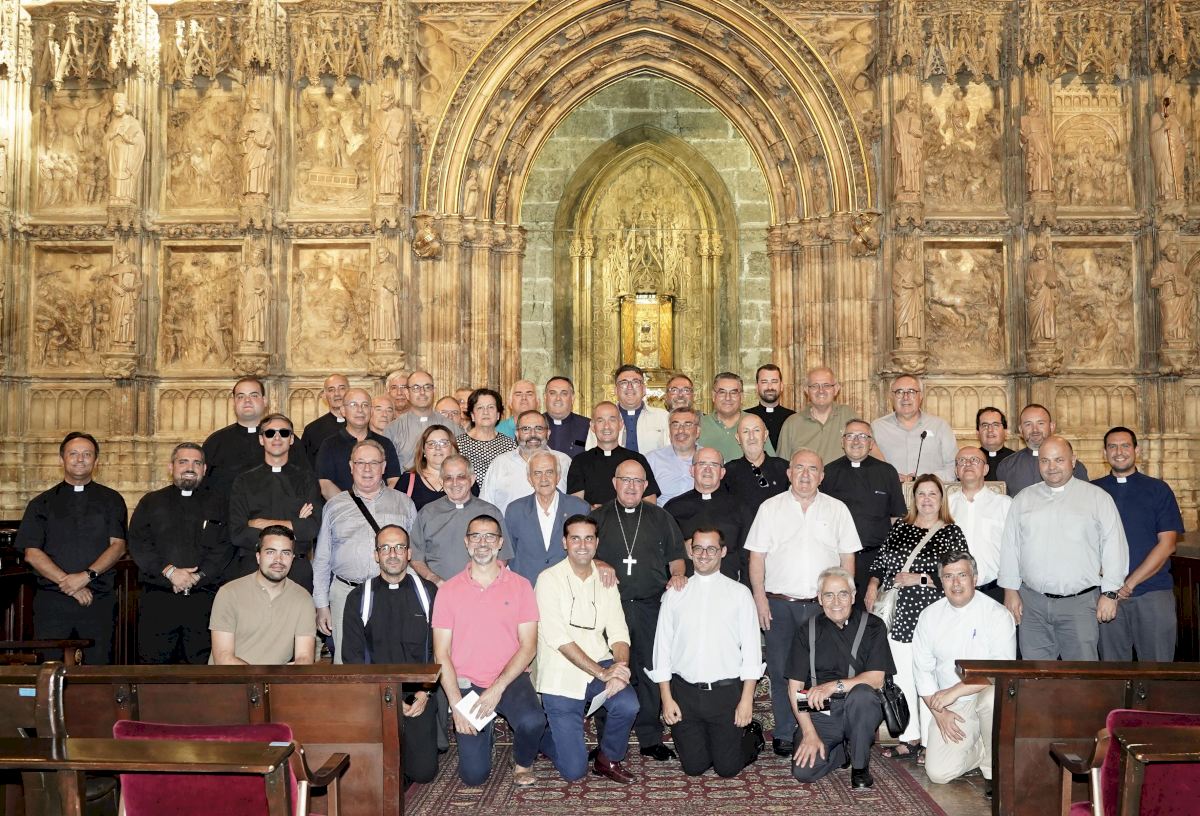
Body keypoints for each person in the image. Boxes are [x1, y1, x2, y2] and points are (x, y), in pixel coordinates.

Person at [744, 449, 861, 757]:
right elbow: (757, 557)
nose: (805, 475)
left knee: (823, 671)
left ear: (822, 476)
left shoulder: (837, 509)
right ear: (789, 473)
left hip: (825, 606)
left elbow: (847, 558)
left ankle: (824, 730)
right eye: (799, 468)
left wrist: (844, 601)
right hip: (779, 605)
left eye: (812, 469)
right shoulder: (770, 508)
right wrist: (759, 597)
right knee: (782, 670)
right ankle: (785, 732)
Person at [432, 514, 546, 787]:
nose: (482, 543)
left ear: (500, 543)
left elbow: (528, 646)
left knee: (533, 721)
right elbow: (441, 654)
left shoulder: (521, 586)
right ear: (466, 542)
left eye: (490, 537)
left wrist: (497, 689)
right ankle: (487, 734)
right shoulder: (448, 591)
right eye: (476, 536)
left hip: (510, 679)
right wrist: (456, 704)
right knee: (474, 776)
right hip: (467, 684)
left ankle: (522, 762)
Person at [863, 473, 966, 758]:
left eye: (933, 494)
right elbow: (881, 561)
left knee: (929, 675)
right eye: (921, 494)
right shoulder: (900, 528)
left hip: (934, 613)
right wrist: (872, 584)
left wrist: (919, 578)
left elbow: (961, 574)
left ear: (941, 498)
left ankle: (932, 741)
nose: (927, 499)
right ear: (914, 498)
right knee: (903, 676)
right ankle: (910, 737)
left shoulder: (951, 532)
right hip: (899, 614)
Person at [998, 436, 1128, 661]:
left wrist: (1110, 593)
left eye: (1059, 460)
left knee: (1081, 674)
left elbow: (1115, 547)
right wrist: (1010, 591)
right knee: (1036, 674)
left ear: (1073, 460)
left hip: (1079, 605)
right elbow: (1010, 546)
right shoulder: (1023, 499)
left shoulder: (1097, 498)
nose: (1052, 467)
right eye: (1045, 461)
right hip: (1032, 604)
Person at [591, 460, 687, 761]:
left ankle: (650, 738)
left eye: (638, 481)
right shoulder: (598, 518)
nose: (631, 486)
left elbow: (677, 556)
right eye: (625, 480)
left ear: (646, 486)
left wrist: (678, 575)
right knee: (610, 670)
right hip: (610, 609)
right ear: (615, 482)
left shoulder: (661, 516)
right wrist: (599, 562)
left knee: (648, 671)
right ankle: (606, 740)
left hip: (650, 607)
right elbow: (579, 555)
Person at [649, 528, 764, 777]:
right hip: (685, 694)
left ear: (722, 552)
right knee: (694, 767)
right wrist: (667, 699)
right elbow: (662, 649)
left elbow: (752, 652)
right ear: (690, 552)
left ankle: (752, 737)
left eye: (711, 549)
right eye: (698, 548)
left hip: (725, 694)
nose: (704, 554)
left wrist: (746, 700)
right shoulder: (675, 594)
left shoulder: (740, 594)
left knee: (727, 768)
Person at [534, 514, 639, 783]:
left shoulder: (606, 579)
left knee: (627, 703)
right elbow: (558, 638)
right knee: (574, 771)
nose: (582, 545)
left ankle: (608, 758)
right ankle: (542, 737)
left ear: (596, 542)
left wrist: (620, 669)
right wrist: (603, 674)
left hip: (599, 662)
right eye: (575, 538)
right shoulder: (548, 579)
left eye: (588, 538)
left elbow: (618, 632)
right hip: (560, 672)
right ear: (564, 542)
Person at [341, 525, 439, 786]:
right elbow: (352, 658)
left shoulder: (428, 593)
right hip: (377, 694)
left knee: (423, 773)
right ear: (376, 555)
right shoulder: (358, 598)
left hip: (419, 694)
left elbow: (439, 651)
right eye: (385, 548)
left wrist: (424, 693)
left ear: (409, 553)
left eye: (399, 547)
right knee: (375, 772)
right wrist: (387, 700)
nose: (392, 554)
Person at [18, 432, 127, 665]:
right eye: (73, 454)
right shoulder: (41, 503)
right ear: (62, 459)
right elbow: (32, 553)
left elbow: (118, 546)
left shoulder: (112, 500)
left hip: (97, 599)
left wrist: (86, 576)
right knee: (50, 669)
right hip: (52, 602)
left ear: (96, 461)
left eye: (87, 454)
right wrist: (70, 584)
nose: (80, 459)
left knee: (98, 671)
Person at [912, 551, 1015, 796]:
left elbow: (1002, 669)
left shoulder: (997, 614)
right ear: (941, 581)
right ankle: (982, 747)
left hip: (984, 694)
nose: (956, 583)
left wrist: (956, 690)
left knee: (992, 698)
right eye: (948, 576)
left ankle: (993, 770)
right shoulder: (929, 616)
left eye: (962, 575)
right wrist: (939, 713)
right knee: (938, 773)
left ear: (975, 578)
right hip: (952, 706)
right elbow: (922, 671)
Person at [787, 567, 894, 789]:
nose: (836, 602)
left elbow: (876, 679)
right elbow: (795, 687)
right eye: (829, 595)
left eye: (843, 594)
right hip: (821, 709)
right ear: (820, 598)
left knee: (862, 695)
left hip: (859, 708)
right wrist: (808, 732)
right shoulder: (807, 630)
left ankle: (860, 766)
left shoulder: (873, 626)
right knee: (804, 772)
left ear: (853, 596)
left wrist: (832, 687)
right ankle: (840, 753)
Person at [312, 439, 417, 663]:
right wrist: (321, 604)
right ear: (351, 466)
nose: (367, 469)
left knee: (392, 660)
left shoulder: (404, 504)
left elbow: (414, 554)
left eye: (374, 463)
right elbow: (322, 559)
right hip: (345, 594)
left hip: (391, 595)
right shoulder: (334, 506)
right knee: (346, 663)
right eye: (360, 463)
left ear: (384, 466)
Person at [128, 442, 232, 664]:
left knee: (200, 669)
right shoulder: (151, 502)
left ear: (204, 469)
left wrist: (197, 576)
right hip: (159, 598)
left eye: (197, 463)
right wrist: (170, 572)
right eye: (183, 462)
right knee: (155, 668)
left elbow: (224, 547)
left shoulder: (219, 503)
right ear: (171, 467)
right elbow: (139, 543)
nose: (190, 468)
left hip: (203, 599)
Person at [1093, 427, 1184, 662]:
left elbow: (1167, 545)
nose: (1119, 452)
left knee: (1157, 669)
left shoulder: (1158, 489)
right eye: (1112, 446)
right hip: (1106, 595)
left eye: (1125, 445)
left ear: (1137, 450)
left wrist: (1129, 584)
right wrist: (1110, 584)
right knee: (1112, 669)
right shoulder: (1093, 491)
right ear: (1104, 453)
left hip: (1152, 592)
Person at [228, 413, 322, 592]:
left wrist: (260, 523)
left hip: (296, 568)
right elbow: (238, 533)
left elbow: (311, 528)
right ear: (261, 439)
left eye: (284, 433)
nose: (277, 437)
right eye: (270, 433)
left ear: (291, 439)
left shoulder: (307, 479)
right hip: (253, 567)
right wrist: (294, 525)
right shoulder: (244, 481)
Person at [819, 420, 907, 606]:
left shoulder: (887, 472)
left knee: (873, 615)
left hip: (875, 561)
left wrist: (888, 562)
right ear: (842, 442)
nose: (856, 441)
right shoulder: (828, 473)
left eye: (862, 436)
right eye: (850, 436)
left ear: (871, 443)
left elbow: (896, 519)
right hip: (837, 560)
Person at [210, 526, 316, 665]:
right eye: (270, 552)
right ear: (258, 557)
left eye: (285, 553)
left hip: (277, 678)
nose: (278, 560)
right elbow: (223, 658)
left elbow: (305, 657)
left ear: (292, 558)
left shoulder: (303, 598)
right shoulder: (229, 593)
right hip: (232, 677)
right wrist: (261, 676)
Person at [410, 455, 511, 586]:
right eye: (448, 478)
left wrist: (484, 581)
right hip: (437, 590)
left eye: (461, 476)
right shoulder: (427, 513)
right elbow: (416, 557)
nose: (455, 483)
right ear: (441, 481)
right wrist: (434, 579)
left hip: (481, 589)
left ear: (472, 479)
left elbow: (503, 556)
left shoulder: (491, 512)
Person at [504, 451, 590, 585]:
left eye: (549, 472)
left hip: (567, 588)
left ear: (558, 476)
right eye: (537, 473)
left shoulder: (579, 508)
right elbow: (508, 553)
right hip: (527, 588)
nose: (543, 479)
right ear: (529, 479)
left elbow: (588, 551)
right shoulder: (515, 510)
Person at [664, 448, 745, 582]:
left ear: (722, 473)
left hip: (728, 587)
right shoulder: (673, 508)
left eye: (714, 465)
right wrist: (682, 548)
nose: (707, 469)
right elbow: (663, 551)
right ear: (692, 470)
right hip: (686, 587)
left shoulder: (740, 508)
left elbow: (748, 556)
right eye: (702, 464)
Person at [947, 447, 1010, 604]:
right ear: (956, 471)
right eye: (962, 461)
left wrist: (1011, 591)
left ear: (986, 469)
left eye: (974, 460)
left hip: (995, 590)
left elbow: (1014, 551)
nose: (968, 464)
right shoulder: (945, 506)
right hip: (954, 592)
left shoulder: (1004, 504)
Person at [568, 402, 660, 506]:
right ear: (593, 426)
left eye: (612, 420)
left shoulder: (637, 459)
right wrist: (594, 511)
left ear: (620, 424)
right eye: (600, 420)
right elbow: (575, 504)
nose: (606, 426)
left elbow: (650, 502)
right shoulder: (580, 461)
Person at [316, 388, 402, 498]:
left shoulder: (385, 443)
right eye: (353, 405)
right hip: (342, 507)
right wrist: (350, 506)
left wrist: (379, 503)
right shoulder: (329, 445)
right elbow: (325, 484)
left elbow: (394, 480)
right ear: (343, 410)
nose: (360, 410)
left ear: (371, 411)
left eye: (365, 405)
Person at [871, 375, 957, 482]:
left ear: (921, 396)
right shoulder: (877, 428)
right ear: (891, 397)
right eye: (899, 392)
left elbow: (953, 466)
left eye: (911, 391)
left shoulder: (940, 426)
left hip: (930, 491)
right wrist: (889, 477)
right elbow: (867, 465)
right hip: (889, 491)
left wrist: (924, 480)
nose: (905, 397)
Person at [481, 410, 571, 513]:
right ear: (517, 434)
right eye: (526, 429)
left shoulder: (564, 462)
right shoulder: (500, 464)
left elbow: (574, 504)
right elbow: (485, 506)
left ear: (548, 433)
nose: (533, 434)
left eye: (539, 428)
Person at [996, 404, 1089, 495]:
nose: (1035, 430)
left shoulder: (1073, 466)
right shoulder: (1007, 466)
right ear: (1021, 429)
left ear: (1051, 426)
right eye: (1028, 424)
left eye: (1040, 423)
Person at [383, 371, 464, 470]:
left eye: (427, 387)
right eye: (416, 388)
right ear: (407, 393)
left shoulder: (451, 427)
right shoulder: (393, 429)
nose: (422, 392)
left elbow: (462, 463)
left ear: (434, 391)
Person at [777, 367, 857, 465]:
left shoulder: (848, 415)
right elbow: (781, 466)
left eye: (826, 385)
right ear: (806, 390)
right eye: (815, 386)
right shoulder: (792, 424)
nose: (821, 391)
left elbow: (868, 449)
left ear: (836, 389)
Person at [585, 365, 669, 454]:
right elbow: (591, 453)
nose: (630, 387)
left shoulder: (663, 417)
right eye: (623, 383)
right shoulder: (600, 418)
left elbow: (671, 453)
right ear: (616, 390)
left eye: (635, 382)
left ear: (644, 389)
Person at [723, 413, 789, 525]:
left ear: (765, 435)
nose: (751, 437)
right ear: (738, 438)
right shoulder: (728, 472)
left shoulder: (785, 469)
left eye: (756, 430)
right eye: (745, 431)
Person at [700, 372, 777, 463]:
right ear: (713, 396)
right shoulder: (699, 425)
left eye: (733, 392)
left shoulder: (755, 424)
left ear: (742, 396)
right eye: (722, 392)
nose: (728, 398)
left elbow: (771, 463)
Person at [456, 388, 518, 491]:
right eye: (480, 408)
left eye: (491, 407)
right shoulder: (458, 444)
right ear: (472, 415)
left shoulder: (510, 445)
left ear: (498, 415)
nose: (486, 412)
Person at [645, 407, 701, 505]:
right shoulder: (651, 460)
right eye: (675, 425)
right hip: (663, 514)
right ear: (669, 431)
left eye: (687, 425)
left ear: (698, 431)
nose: (681, 430)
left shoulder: (711, 460)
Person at [398, 425, 462, 510]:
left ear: (452, 448)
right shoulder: (407, 481)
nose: (438, 448)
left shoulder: (465, 480)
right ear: (423, 450)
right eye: (431, 444)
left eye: (443, 443)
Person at [302, 374, 350, 463]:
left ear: (349, 392)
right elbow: (305, 465)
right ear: (324, 396)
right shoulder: (312, 430)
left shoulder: (361, 425)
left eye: (342, 388)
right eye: (331, 390)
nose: (337, 394)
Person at [746, 363, 795, 449]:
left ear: (781, 386)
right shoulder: (745, 417)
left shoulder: (793, 418)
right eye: (764, 382)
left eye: (774, 381)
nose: (770, 387)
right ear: (757, 387)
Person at [543, 376, 590, 459]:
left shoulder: (588, 426)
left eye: (564, 394)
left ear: (572, 398)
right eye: (553, 393)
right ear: (545, 397)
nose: (558, 398)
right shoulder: (534, 424)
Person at [975, 407, 1014, 477]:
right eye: (985, 425)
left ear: (1005, 431)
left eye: (995, 425)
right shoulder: (970, 461)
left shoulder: (1016, 460)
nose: (990, 430)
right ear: (977, 433)